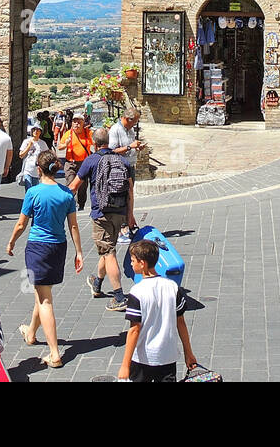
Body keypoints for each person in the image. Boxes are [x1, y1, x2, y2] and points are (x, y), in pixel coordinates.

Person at [7, 151, 84, 369]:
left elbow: (21, 224)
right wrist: (79, 252)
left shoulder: (33, 193)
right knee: (43, 293)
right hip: (59, 247)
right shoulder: (67, 194)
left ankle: (54, 353)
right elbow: (74, 226)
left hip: (38, 247)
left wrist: (11, 242)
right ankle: (30, 333)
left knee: (45, 300)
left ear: (38, 169)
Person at [68, 127, 136, 312]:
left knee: (108, 253)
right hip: (120, 212)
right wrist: (130, 215)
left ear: (94, 144)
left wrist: (59, 201)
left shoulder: (91, 160)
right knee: (107, 249)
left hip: (101, 213)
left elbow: (74, 186)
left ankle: (119, 297)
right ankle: (97, 283)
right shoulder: (122, 160)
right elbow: (130, 190)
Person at [117, 239, 199, 382]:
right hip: (167, 356)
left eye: (132, 260)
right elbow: (181, 323)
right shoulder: (173, 287)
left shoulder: (137, 291)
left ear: (142, 264)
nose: (131, 263)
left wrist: (125, 364)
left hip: (143, 358)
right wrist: (188, 352)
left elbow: (134, 330)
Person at [59, 113, 95, 210]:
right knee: (70, 182)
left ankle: (81, 204)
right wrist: (66, 144)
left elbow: (96, 144)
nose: (76, 124)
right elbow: (60, 147)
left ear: (83, 123)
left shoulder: (88, 133)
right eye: (74, 121)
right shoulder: (68, 134)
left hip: (84, 163)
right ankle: (69, 203)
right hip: (70, 163)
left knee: (83, 185)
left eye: (79, 122)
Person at [17, 124, 46, 192]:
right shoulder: (26, 141)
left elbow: (47, 155)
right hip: (28, 170)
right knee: (29, 191)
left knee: (35, 191)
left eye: (38, 130)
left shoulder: (42, 143)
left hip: (37, 172)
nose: (36, 131)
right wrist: (29, 146)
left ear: (40, 132)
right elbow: (21, 155)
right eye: (34, 130)